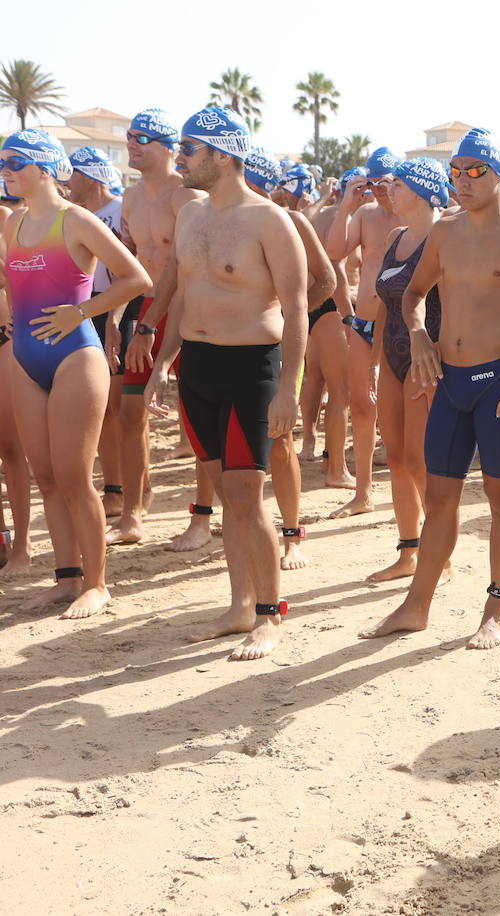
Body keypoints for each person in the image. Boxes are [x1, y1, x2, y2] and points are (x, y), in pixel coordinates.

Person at [357, 127, 500, 648]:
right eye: (455, 171)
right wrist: (418, 336)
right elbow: (412, 293)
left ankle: (495, 607)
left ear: (499, 176)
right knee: (439, 500)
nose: (462, 180)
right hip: (450, 381)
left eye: (475, 170)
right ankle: (416, 606)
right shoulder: (446, 231)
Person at [145, 107, 307, 661]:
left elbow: (298, 305)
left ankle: (269, 615)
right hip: (198, 365)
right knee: (224, 494)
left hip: (251, 367)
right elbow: (186, 293)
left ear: (224, 154)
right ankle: (240, 605)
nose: (181, 158)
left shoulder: (269, 220)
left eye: (189, 149)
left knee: (245, 494)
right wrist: (164, 362)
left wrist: (289, 388)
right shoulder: (190, 217)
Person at [0, 129, 151, 617]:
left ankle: (98, 583)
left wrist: (81, 312)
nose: (6, 171)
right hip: (26, 359)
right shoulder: (13, 224)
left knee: (74, 475)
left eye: (14, 163)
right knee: (45, 474)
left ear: (45, 169)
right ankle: (65, 578)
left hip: (74, 355)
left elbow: (136, 279)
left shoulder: (76, 219)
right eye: (4, 163)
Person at [118, 109, 212, 550]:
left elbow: (193, 266)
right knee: (130, 411)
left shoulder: (187, 196)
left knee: (197, 419)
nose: (132, 143)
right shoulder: (131, 199)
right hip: (146, 309)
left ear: (168, 147)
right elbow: (131, 265)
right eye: (130, 136)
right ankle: (133, 512)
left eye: (143, 137)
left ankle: (201, 515)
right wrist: (124, 321)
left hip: (188, 309)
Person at [245, 148, 337, 571]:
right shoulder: (215, 216)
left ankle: (292, 534)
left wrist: (286, 316)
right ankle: (211, 522)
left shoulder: (292, 221)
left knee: (280, 443)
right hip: (226, 346)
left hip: (271, 347)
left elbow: (327, 280)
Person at [370, 157, 450, 583]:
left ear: (419, 190)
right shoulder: (396, 236)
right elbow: (388, 303)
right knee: (397, 459)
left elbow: (456, 306)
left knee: (421, 463)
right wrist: (374, 361)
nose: (388, 190)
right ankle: (409, 552)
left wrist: (441, 365)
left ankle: (441, 555)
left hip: (427, 361)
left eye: (396, 184)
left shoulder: (445, 236)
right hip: (392, 356)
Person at [324, 146, 405, 519]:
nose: (379, 191)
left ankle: (411, 489)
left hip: (404, 327)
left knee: (400, 409)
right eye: (373, 184)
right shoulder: (366, 215)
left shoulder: (416, 216)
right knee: (361, 404)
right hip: (365, 322)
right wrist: (345, 206)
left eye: (385, 183)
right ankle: (363, 491)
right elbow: (334, 252)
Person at [66, 146, 133, 519]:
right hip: (89, 309)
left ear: (89, 177)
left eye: (72, 173)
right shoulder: (77, 216)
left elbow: (134, 273)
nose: (66, 180)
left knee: (120, 411)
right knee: (103, 410)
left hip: (118, 311)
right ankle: (114, 489)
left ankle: (125, 492)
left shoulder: (120, 212)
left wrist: (114, 320)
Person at [301, 165, 362, 489]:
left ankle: (312, 443)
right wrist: (350, 316)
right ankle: (336, 469)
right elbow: (336, 270)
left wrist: (323, 196)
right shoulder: (346, 218)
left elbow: (301, 220)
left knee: (314, 379)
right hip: (334, 307)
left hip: (313, 305)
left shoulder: (321, 214)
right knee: (342, 392)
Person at [0, 192, 33, 576]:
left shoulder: (6, 218)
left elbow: (17, 277)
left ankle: (22, 546)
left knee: (10, 446)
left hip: (4, 335)